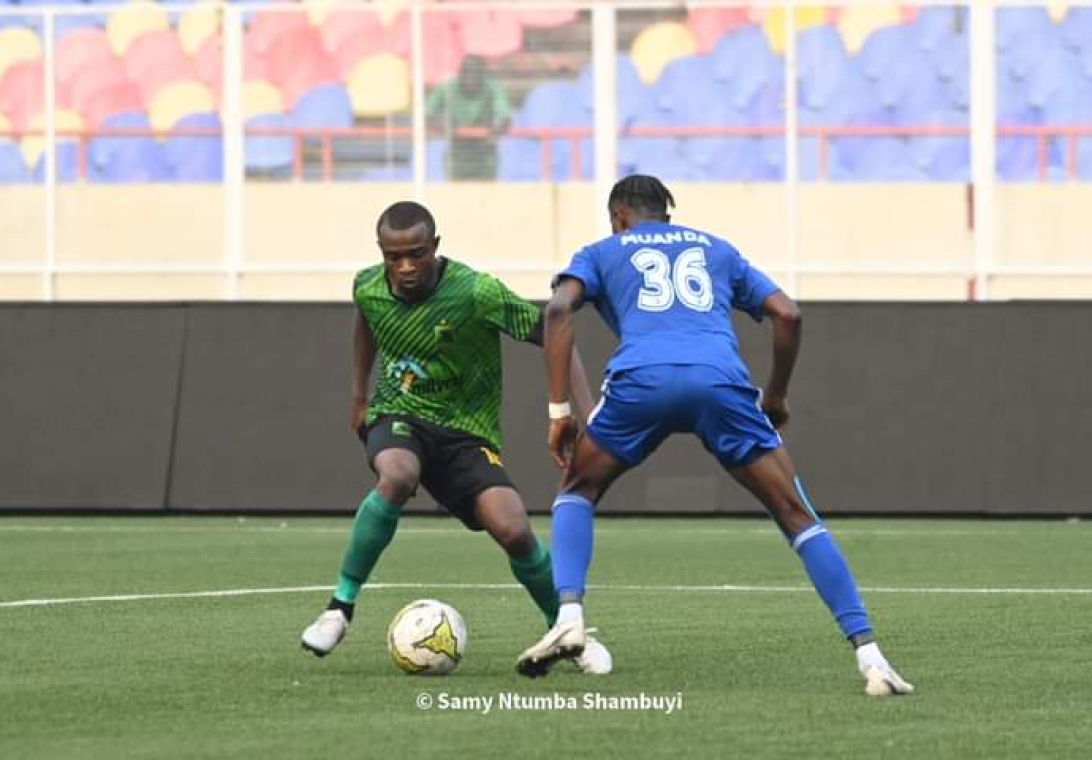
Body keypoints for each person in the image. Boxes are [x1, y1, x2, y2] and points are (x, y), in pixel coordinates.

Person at [514, 175, 913, 696]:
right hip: (720, 382)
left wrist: (560, 410)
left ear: (617, 217)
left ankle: (568, 614)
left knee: (578, 489)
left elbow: (560, 310)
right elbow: (787, 314)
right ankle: (871, 658)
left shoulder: (602, 249)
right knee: (797, 516)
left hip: (643, 382)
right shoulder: (716, 248)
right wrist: (775, 395)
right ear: (667, 215)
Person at [300, 200, 611, 675]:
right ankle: (339, 608)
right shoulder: (367, 285)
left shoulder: (475, 291)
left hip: (466, 432)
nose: (405, 267)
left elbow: (555, 334)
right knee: (397, 475)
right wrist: (359, 396)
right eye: (393, 256)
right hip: (399, 414)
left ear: (436, 247)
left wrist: (584, 414)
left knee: (512, 527)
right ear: (381, 253)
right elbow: (366, 322)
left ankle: (566, 631)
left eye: (417, 254)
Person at [425, 55, 511, 180]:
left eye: (475, 73)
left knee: (486, 196)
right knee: (456, 195)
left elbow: (505, 116)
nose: (470, 77)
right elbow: (427, 114)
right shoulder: (448, 87)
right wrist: (441, 124)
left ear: (483, 75)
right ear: (460, 74)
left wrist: (497, 129)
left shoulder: (492, 88)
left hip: (485, 154)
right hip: (457, 154)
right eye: (466, 72)